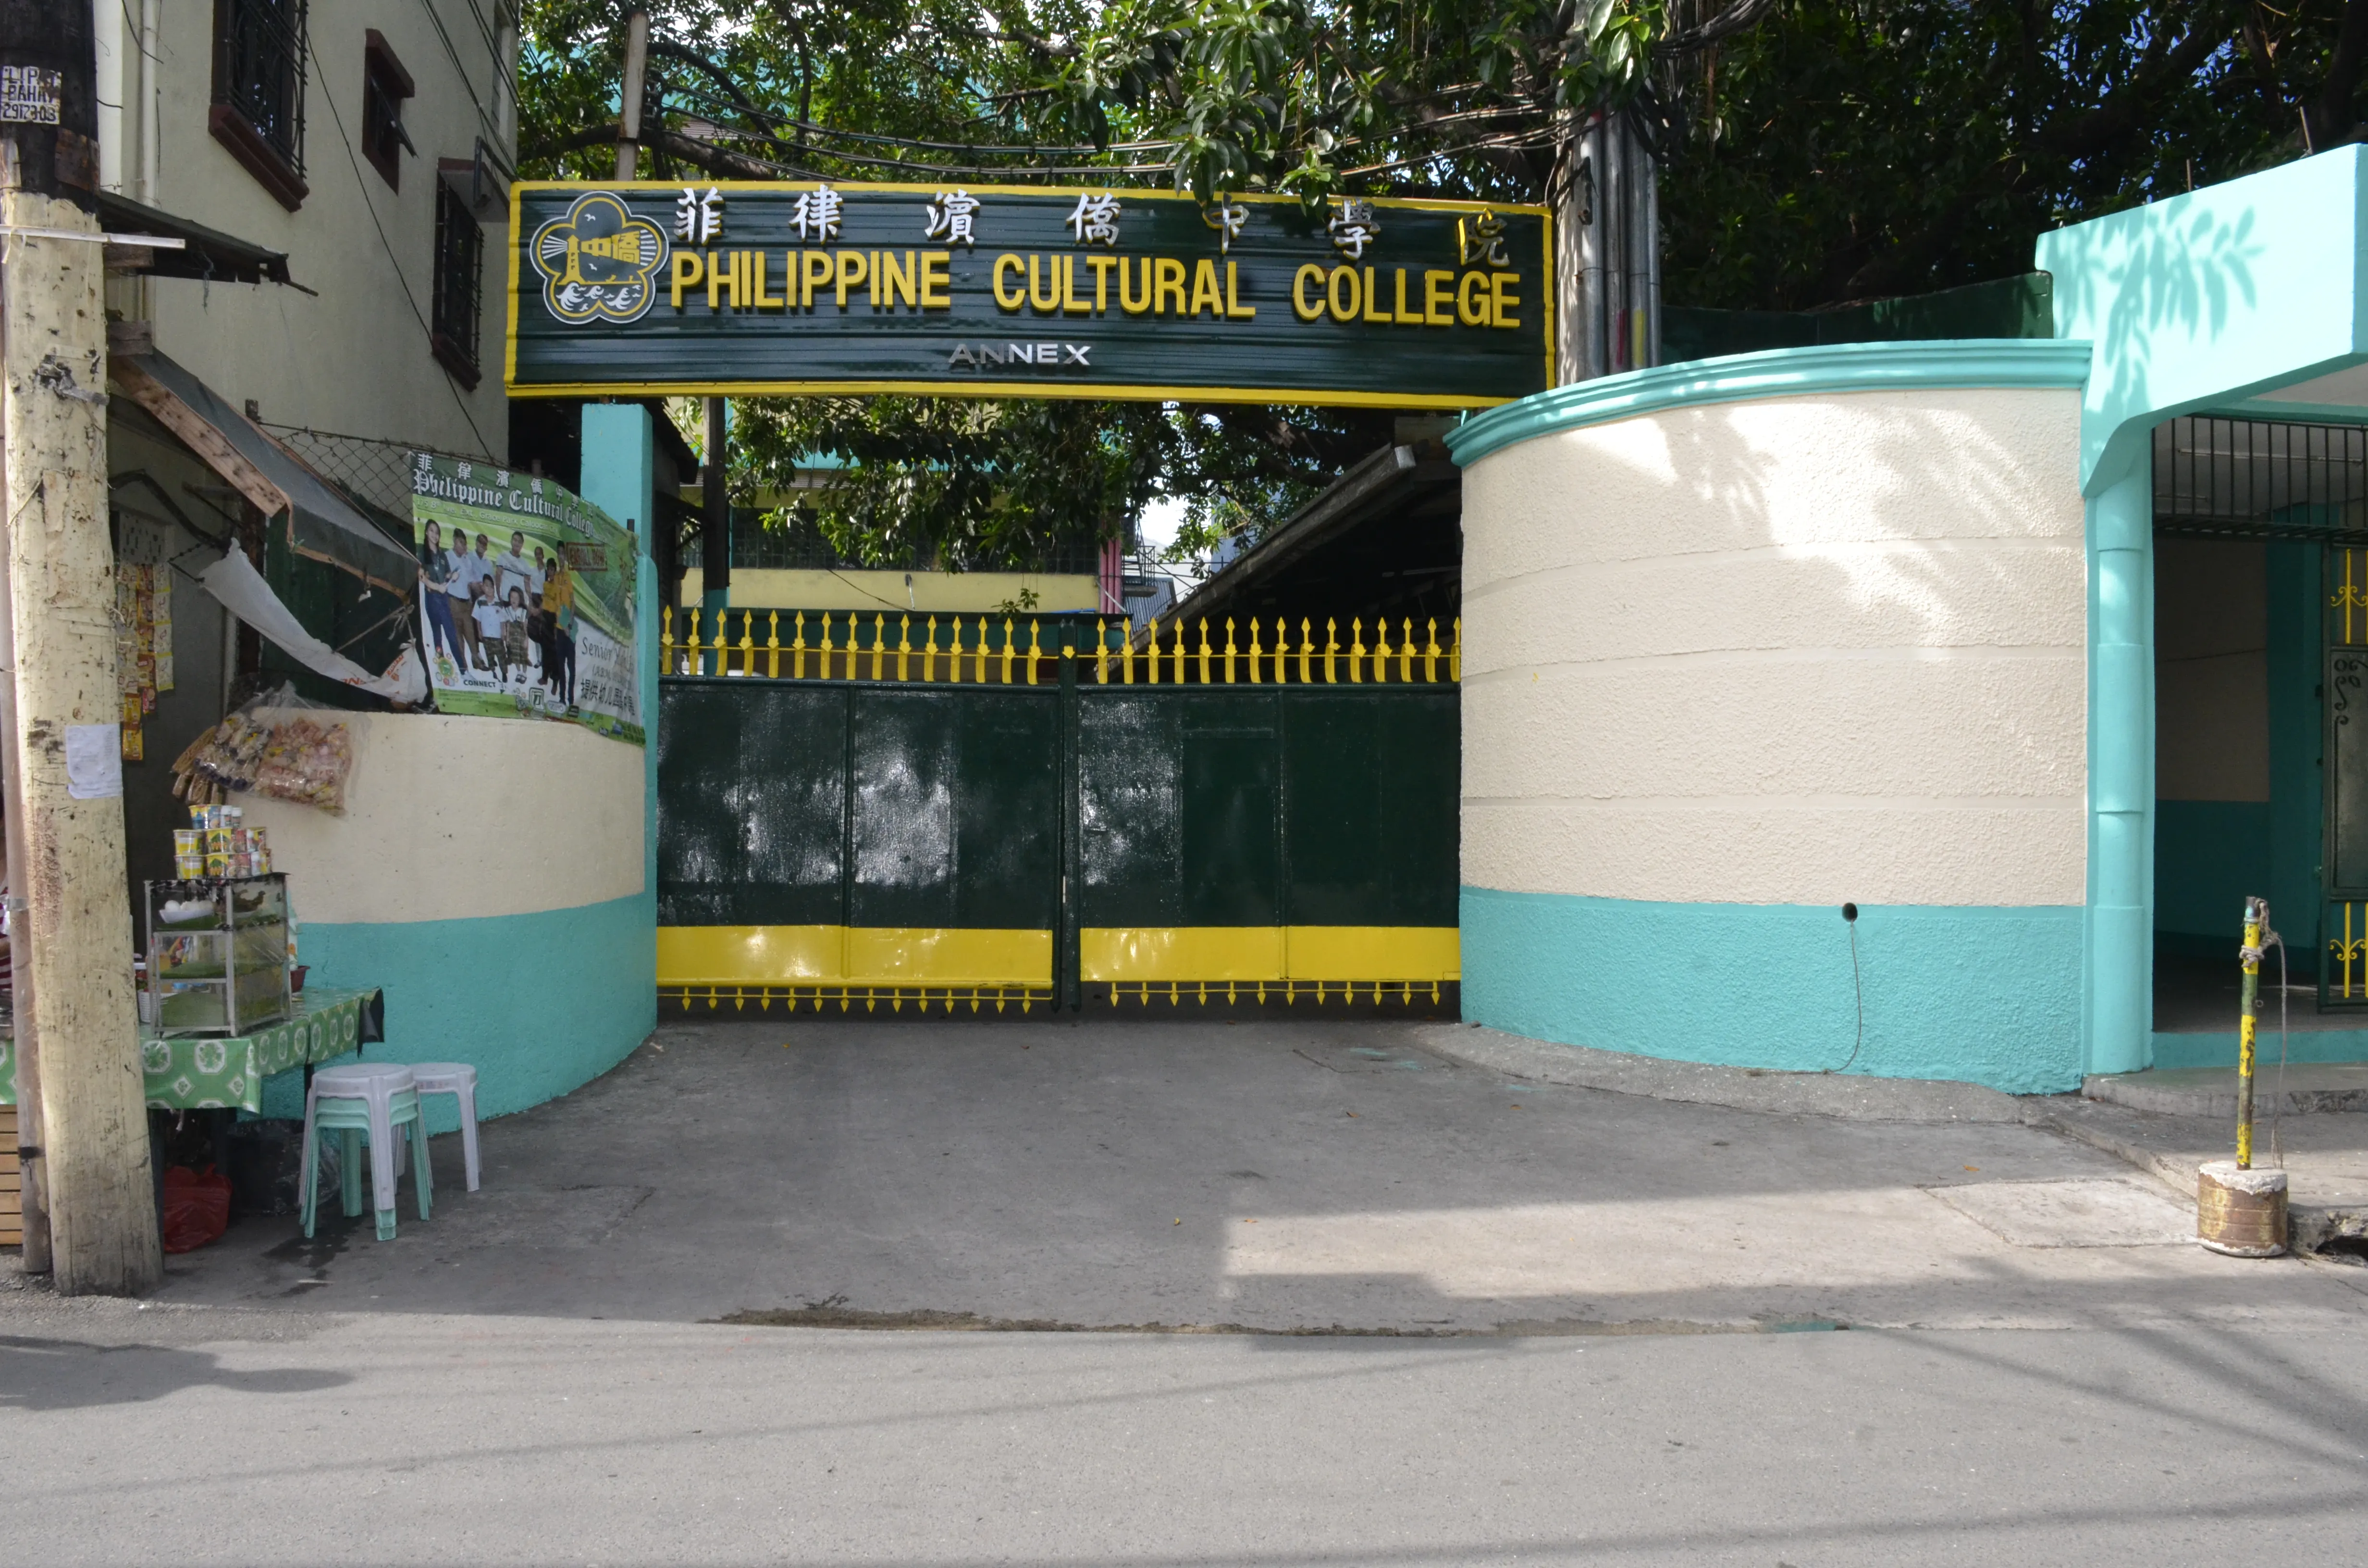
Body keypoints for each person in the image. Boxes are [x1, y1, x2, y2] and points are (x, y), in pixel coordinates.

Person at [419, 521, 461, 665]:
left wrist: (453, 576)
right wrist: (437, 587)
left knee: (451, 634)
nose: (435, 535)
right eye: (432, 531)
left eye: (437, 532)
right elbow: (421, 577)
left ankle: (462, 670)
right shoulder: (422, 552)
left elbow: (447, 574)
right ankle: (443, 668)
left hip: (443, 598)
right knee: (438, 634)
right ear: (426, 532)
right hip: (432, 598)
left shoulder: (442, 554)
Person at [445, 530, 483, 671]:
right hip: (453, 603)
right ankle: (464, 668)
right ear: (455, 541)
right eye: (461, 542)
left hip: (467, 603)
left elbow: (472, 581)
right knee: (458, 638)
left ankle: (477, 663)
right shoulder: (447, 556)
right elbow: (444, 577)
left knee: (471, 636)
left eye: (465, 544)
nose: (464, 546)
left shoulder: (467, 560)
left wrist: (481, 587)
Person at [472, 577, 509, 681]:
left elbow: (503, 620)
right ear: (483, 587)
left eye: (491, 587)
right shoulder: (480, 602)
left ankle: (504, 673)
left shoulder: (498, 603)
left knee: (501, 655)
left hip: (497, 635)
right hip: (486, 635)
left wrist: (503, 632)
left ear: (494, 588)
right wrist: (479, 631)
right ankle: (493, 671)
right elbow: (478, 619)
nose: (489, 589)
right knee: (489, 655)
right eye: (486, 586)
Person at [500, 585, 532, 686]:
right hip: (513, 637)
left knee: (523, 656)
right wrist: (507, 638)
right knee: (515, 655)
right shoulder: (508, 610)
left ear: (520, 600)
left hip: (521, 636)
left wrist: (526, 639)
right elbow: (508, 625)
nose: (514, 600)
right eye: (512, 597)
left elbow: (525, 626)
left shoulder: (523, 611)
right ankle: (519, 672)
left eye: (516, 598)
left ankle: (525, 673)